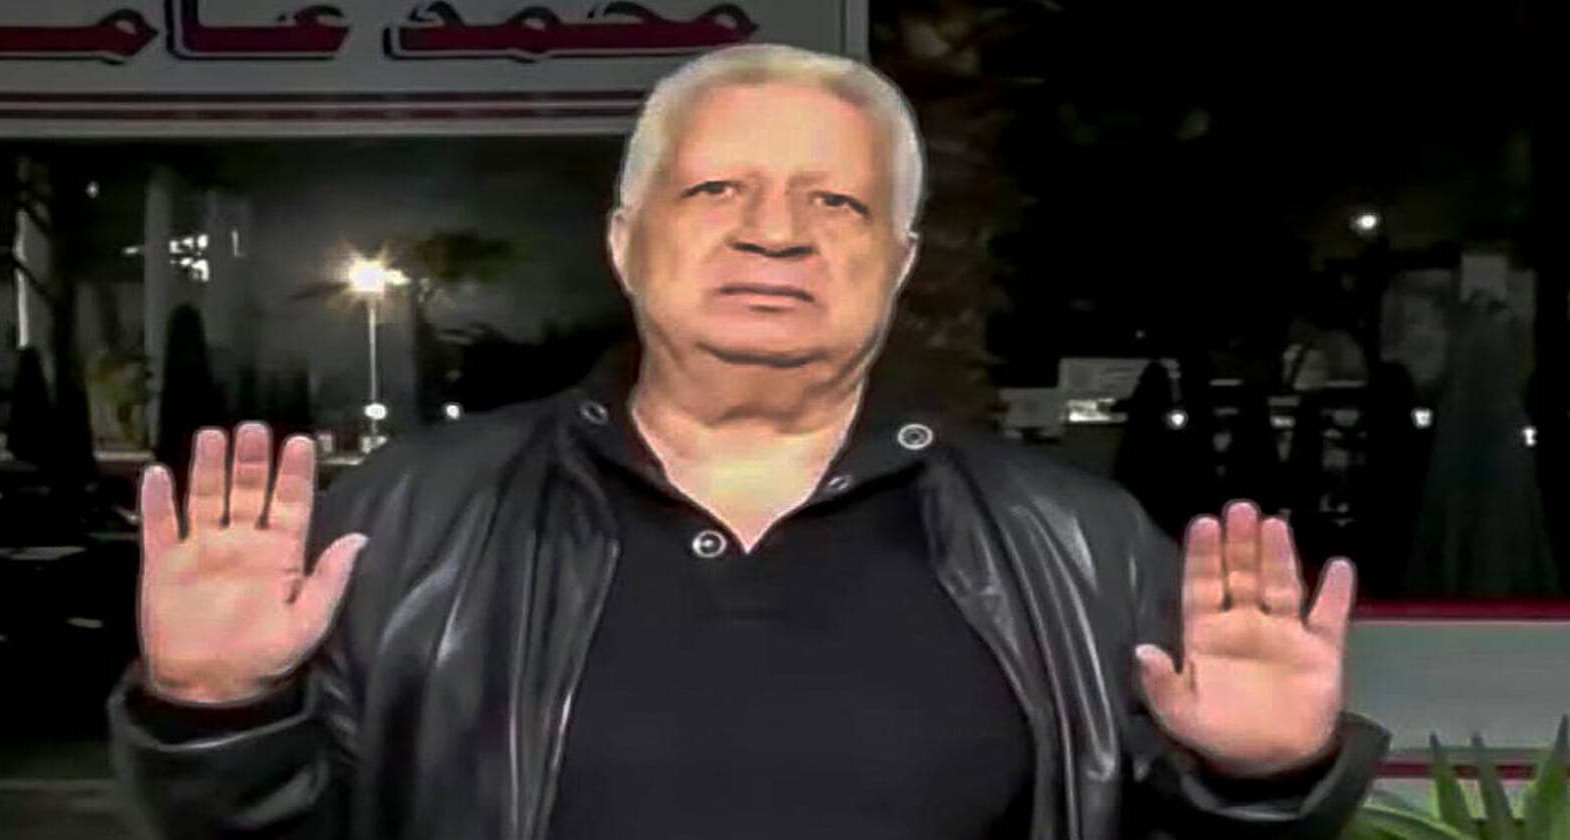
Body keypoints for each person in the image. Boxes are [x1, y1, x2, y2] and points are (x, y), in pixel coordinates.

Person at [109, 43, 1390, 840]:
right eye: (718, 188)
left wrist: (1258, 785)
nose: (775, 233)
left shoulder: (1079, 543)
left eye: (835, 202)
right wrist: (220, 715)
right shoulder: (406, 519)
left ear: (896, 265)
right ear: (627, 241)